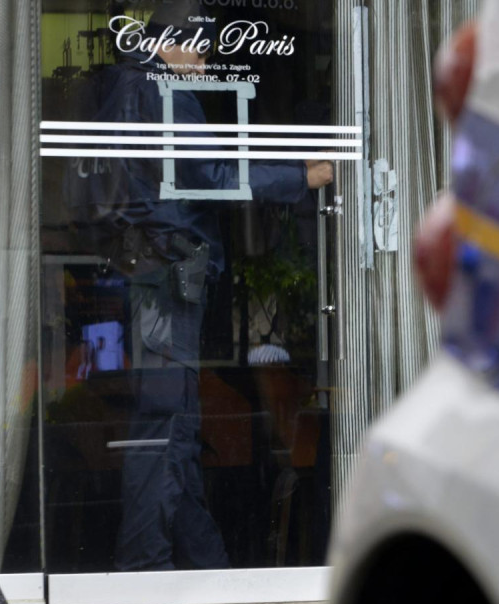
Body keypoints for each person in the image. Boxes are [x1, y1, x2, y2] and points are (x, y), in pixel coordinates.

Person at [65, 2, 334, 571]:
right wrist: (301, 176)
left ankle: (205, 565)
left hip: (148, 270)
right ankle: (143, 567)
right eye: (201, 50)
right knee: (166, 424)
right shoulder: (160, 91)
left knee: (175, 426)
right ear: (170, 43)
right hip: (169, 272)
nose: (207, 62)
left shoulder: (121, 87)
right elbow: (210, 176)